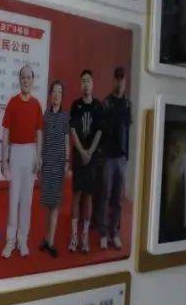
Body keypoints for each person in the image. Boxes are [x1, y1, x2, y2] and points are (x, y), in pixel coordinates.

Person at [0, 65, 44, 258]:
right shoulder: (12, 103)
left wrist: (39, 156)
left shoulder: (36, 105)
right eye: (23, 77)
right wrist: (4, 159)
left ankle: (22, 240)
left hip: (31, 153)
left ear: (32, 81)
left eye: (29, 77)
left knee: (27, 200)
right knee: (13, 199)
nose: (26, 80)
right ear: (19, 80)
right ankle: (10, 240)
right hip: (15, 153)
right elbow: (6, 133)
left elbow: (39, 133)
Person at [69, 69, 104, 253]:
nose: (85, 84)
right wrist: (82, 151)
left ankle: (84, 238)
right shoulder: (76, 105)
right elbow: (73, 130)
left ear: (92, 83)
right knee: (76, 195)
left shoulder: (98, 106)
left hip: (92, 157)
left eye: (88, 80)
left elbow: (99, 131)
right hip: (78, 156)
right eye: (83, 80)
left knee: (89, 196)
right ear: (80, 84)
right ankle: (74, 236)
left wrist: (89, 152)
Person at [100, 66, 132, 250]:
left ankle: (115, 233)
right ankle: (103, 234)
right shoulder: (107, 103)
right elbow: (101, 130)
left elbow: (128, 129)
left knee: (118, 199)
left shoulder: (128, 104)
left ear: (125, 81)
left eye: (122, 78)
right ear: (113, 80)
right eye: (117, 78)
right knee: (105, 195)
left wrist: (127, 154)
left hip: (121, 158)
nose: (120, 82)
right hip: (108, 157)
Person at [39, 80, 69, 257]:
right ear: (51, 95)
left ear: (62, 96)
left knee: (55, 205)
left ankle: (51, 242)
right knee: (48, 204)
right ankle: (46, 238)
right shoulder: (46, 115)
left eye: (59, 92)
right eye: (54, 91)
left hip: (58, 164)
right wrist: (40, 160)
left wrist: (67, 161)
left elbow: (66, 140)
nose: (57, 94)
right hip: (47, 163)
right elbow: (42, 139)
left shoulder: (65, 116)